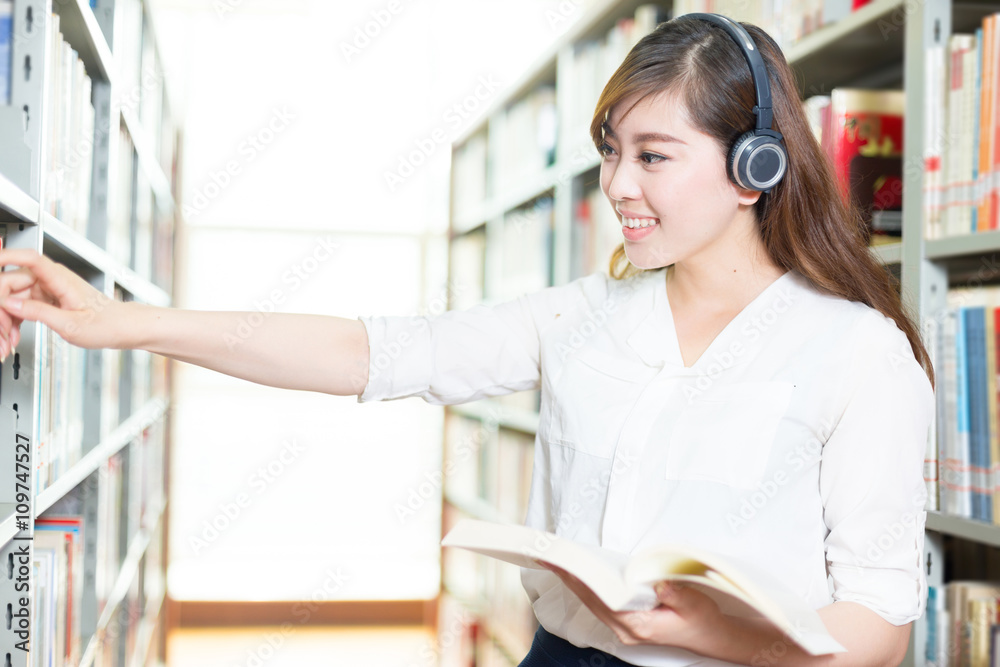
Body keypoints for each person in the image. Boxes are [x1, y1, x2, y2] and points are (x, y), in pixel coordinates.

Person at [0, 13, 933, 667]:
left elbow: (881, 624)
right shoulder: (584, 316)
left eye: (653, 155)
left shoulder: (857, 354)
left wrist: (703, 635)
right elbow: (371, 352)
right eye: (610, 151)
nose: (617, 184)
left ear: (753, 169)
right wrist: (121, 323)